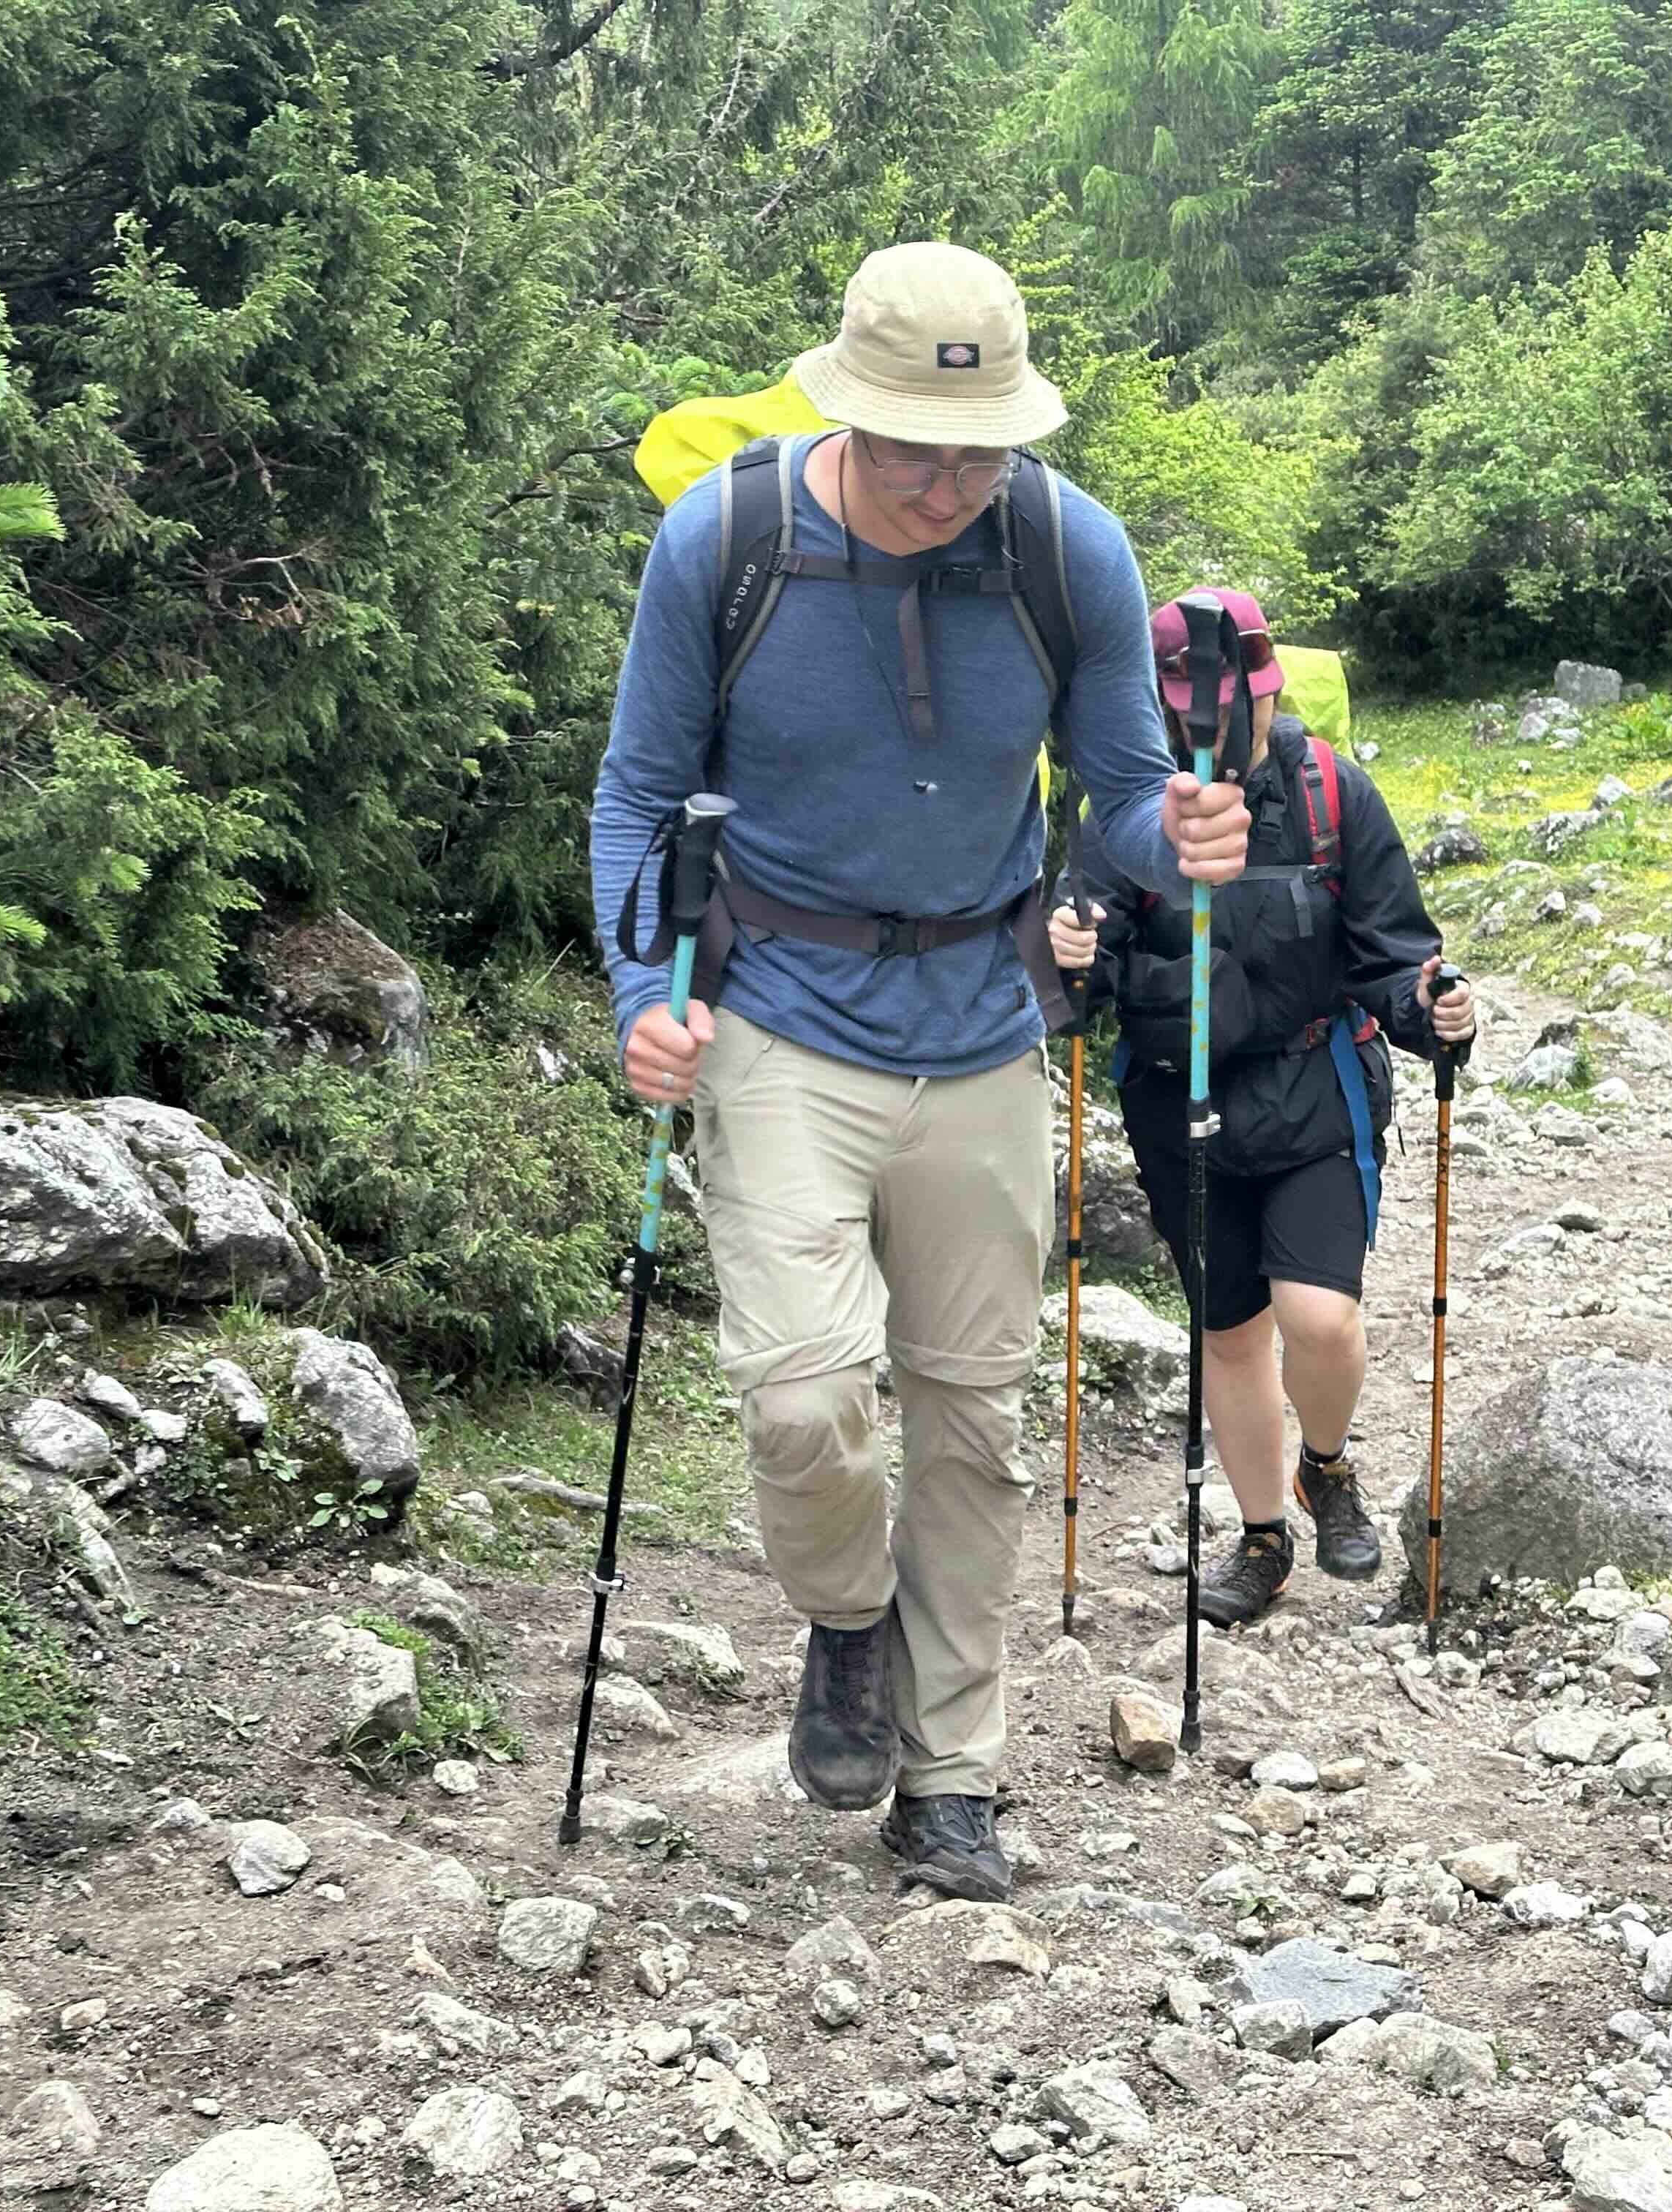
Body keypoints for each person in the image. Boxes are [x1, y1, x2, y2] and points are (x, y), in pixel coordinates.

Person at [590, 243, 1250, 1906]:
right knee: (805, 1397)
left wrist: (1173, 838)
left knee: (972, 1421)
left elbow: (1116, 795)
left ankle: (951, 1777)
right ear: (842, 407)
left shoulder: (1063, 544)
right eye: (918, 448)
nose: (954, 482)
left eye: (985, 449)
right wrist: (638, 999)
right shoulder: (725, 541)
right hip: (779, 1021)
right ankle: (846, 1620)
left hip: (984, 1022)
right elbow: (637, 797)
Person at [1047, 589, 1477, 1625]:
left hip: (1312, 1086)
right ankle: (1259, 1541)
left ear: (1267, 696)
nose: (1219, 730)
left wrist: (1431, 1008)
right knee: (1230, 1333)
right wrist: (1063, 956)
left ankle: (1323, 1467)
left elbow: (1393, 951)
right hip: (1173, 1101)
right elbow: (1076, 975)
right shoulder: (1126, 812)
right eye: (1193, 708)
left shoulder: (1333, 791)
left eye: (1234, 707)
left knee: (1319, 1319)